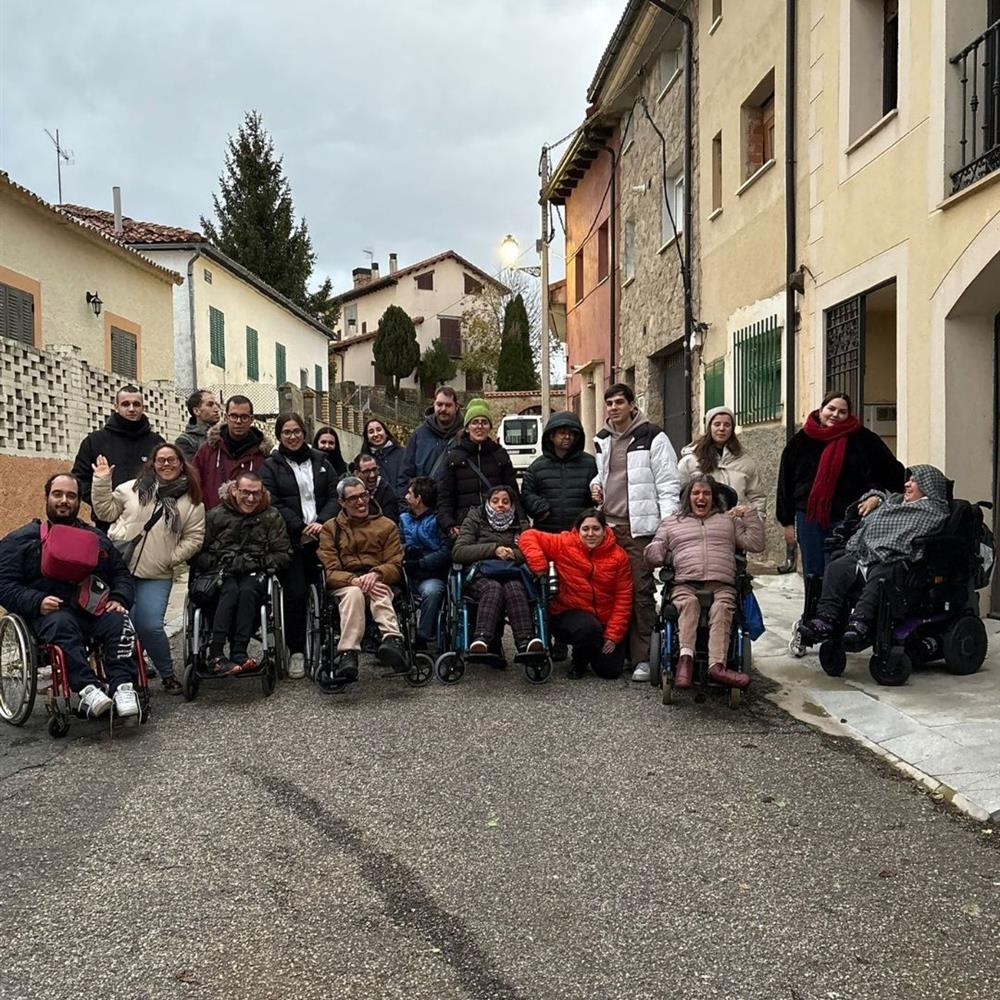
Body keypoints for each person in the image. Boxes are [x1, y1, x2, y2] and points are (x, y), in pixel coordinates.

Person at [0, 473, 142, 718]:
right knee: (62, 623)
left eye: (71, 496)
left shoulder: (96, 539)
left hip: (92, 610)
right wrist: (36, 601)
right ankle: (88, 689)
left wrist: (119, 598)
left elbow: (120, 575)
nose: (64, 501)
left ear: (79, 502)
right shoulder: (20, 540)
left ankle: (122, 687)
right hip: (49, 614)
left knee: (119, 621)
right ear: (47, 498)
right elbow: (4, 584)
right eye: (58, 494)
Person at [776, 391, 905, 654]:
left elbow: (891, 473)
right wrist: (787, 522)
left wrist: (881, 496)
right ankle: (809, 625)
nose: (835, 415)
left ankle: (838, 628)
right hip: (809, 518)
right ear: (821, 409)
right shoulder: (801, 441)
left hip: (848, 519)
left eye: (842, 411)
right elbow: (785, 483)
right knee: (814, 575)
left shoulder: (863, 440)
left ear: (850, 414)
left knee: (840, 574)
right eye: (831, 409)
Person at [90, 443, 206, 694]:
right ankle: (129, 674)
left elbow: (194, 538)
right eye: (161, 460)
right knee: (125, 623)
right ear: (152, 463)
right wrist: (101, 482)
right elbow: (104, 512)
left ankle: (165, 673)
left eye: (172, 460)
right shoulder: (130, 489)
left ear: (180, 464)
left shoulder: (191, 501)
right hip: (120, 570)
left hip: (157, 573)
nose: (166, 464)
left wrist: (171, 558)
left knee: (150, 624)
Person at [800, 465, 950, 651]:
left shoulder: (933, 510)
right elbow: (881, 496)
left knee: (881, 575)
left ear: (928, 486)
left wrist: (880, 544)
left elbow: (905, 534)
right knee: (836, 567)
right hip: (866, 553)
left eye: (914, 481)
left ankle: (860, 622)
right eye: (908, 480)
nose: (907, 484)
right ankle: (825, 618)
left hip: (893, 558)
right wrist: (875, 499)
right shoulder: (897, 501)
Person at [590, 383, 680, 682]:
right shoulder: (602, 439)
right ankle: (618, 652)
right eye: (609, 403)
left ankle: (643, 657)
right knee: (610, 590)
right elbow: (608, 474)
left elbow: (668, 483)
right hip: (609, 527)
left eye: (619, 402)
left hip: (639, 528)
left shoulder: (653, 436)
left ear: (632, 405)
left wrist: (666, 527)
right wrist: (595, 485)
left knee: (641, 591)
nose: (614, 408)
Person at [644, 475, 765, 690]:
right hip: (685, 583)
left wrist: (749, 514)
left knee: (722, 609)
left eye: (706, 493)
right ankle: (685, 660)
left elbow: (755, 544)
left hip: (721, 584)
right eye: (696, 493)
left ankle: (716, 666)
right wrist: (658, 552)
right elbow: (655, 550)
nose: (701, 497)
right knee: (688, 605)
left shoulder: (728, 521)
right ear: (688, 498)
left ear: (714, 497)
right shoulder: (672, 522)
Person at [261, 414, 340, 679]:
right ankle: (296, 650)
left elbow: (334, 495)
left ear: (304, 432)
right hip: (291, 539)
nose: (292, 436)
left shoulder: (321, 461)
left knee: (330, 588)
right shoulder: (271, 466)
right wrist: (300, 526)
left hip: (323, 536)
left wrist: (321, 522)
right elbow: (272, 501)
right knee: (294, 593)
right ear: (279, 435)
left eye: (296, 431)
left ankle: (332, 643)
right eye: (286, 432)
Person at [190, 472, 292, 675]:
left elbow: (284, 553)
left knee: (247, 591)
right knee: (229, 591)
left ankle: (239, 652)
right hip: (221, 572)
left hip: (256, 570)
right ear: (235, 490)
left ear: (262, 493)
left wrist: (258, 562)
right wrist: (216, 563)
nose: (251, 499)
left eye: (256, 493)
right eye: (246, 492)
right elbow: (196, 552)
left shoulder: (271, 516)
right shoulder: (215, 515)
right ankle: (216, 654)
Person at [519, 509, 632, 679]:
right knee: (588, 628)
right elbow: (528, 536)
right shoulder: (564, 543)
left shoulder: (619, 556)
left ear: (605, 530)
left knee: (610, 671)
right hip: (568, 613)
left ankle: (591, 652)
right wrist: (540, 566)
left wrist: (613, 635)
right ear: (577, 530)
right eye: (585, 529)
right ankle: (578, 663)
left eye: (596, 529)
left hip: (605, 618)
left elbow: (624, 597)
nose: (590, 534)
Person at [317, 475, 408, 683]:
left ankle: (393, 641)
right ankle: (348, 654)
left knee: (379, 590)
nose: (361, 502)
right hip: (346, 582)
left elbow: (395, 562)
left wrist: (376, 574)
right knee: (354, 594)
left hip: (379, 577)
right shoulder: (330, 529)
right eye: (353, 498)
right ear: (341, 502)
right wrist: (353, 580)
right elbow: (329, 570)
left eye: (364, 495)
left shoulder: (386, 525)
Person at [452, 485, 543, 656]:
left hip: (511, 572)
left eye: (505, 502)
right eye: (495, 501)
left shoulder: (521, 524)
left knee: (514, 589)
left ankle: (526, 642)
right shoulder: (475, 519)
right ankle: (481, 639)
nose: (500, 505)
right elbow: (459, 552)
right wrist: (494, 550)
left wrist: (513, 554)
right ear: (487, 502)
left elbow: (533, 551)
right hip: (480, 573)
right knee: (493, 588)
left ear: (512, 505)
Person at [71, 384, 165, 531]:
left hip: (148, 524)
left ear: (143, 408)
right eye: (126, 404)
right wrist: (106, 503)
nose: (132, 409)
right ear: (116, 407)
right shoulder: (95, 441)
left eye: (136, 404)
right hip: (107, 524)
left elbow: (168, 479)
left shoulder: (157, 443)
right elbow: (79, 480)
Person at [437, 399, 520, 535]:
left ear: (490, 427)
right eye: (475, 422)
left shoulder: (500, 455)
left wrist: (520, 523)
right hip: (464, 527)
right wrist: (449, 525)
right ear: (467, 428)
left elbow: (513, 493)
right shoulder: (454, 457)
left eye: (484, 422)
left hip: (497, 527)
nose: (479, 427)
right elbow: (445, 496)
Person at [677, 406, 767, 517]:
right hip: (701, 528)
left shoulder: (745, 462)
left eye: (727, 425)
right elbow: (677, 496)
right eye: (717, 424)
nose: (722, 428)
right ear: (709, 427)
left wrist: (754, 520)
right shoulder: (690, 461)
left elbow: (758, 497)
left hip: (735, 527)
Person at [521, 411, 598, 533]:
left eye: (571, 433)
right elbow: (526, 495)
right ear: (551, 436)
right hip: (547, 534)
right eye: (562, 433)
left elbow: (599, 496)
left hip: (580, 535)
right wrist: (539, 507)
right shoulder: (537, 467)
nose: (567, 437)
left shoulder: (591, 464)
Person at [192, 395, 272, 510]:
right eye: (234, 416)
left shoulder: (262, 455)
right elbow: (193, 483)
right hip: (212, 521)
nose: (238, 421)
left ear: (251, 419)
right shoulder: (208, 450)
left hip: (252, 523)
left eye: (244, 417)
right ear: (225, 417)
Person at [400, 476, 450, 651]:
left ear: (418, 499)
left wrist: (422, 562)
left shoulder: (438, 520)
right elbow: (396, 544)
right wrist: (407, 549)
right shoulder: (404, 519)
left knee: (433, 591)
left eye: (409, 493)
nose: (406, 496)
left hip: (431, 573)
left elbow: (445, 552)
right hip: (407, 573)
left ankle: (423, 635)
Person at [396, 386, 464, 497]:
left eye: (448, 405)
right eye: (439, 404)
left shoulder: (465, 435)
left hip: (454, 506)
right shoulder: (419, 435)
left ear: (456, 407)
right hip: (422, 506)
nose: (443, 409)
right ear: (434, 404)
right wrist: (404, 507)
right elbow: (405, 474)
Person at [175, 389, 221, 463]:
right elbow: (192, 469)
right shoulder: (185, 441)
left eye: (217, 405)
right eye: (210, 405)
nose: (216, 409)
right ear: (196, 411)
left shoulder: (225, 434)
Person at [361, 417, 404, 490]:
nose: (376, 434)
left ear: (386, 433)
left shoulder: (403, 453)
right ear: (367, 438)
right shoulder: (364, 460)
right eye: (371, 432)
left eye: (379, 430)